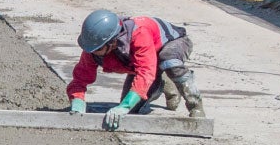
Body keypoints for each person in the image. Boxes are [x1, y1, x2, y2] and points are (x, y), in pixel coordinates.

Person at [67, 9, 205, 128]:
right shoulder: (95, 47)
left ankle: (196, 106)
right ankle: (162, 81)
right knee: (133, 110)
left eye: (97, 49)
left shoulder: (139, 34)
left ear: (112, 42)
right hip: (144, 60)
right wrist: (77, 100)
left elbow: (145, 72)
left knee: (169, 61)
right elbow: (80, 77)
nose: (92, 52)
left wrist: (125, 106)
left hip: (173, 43)